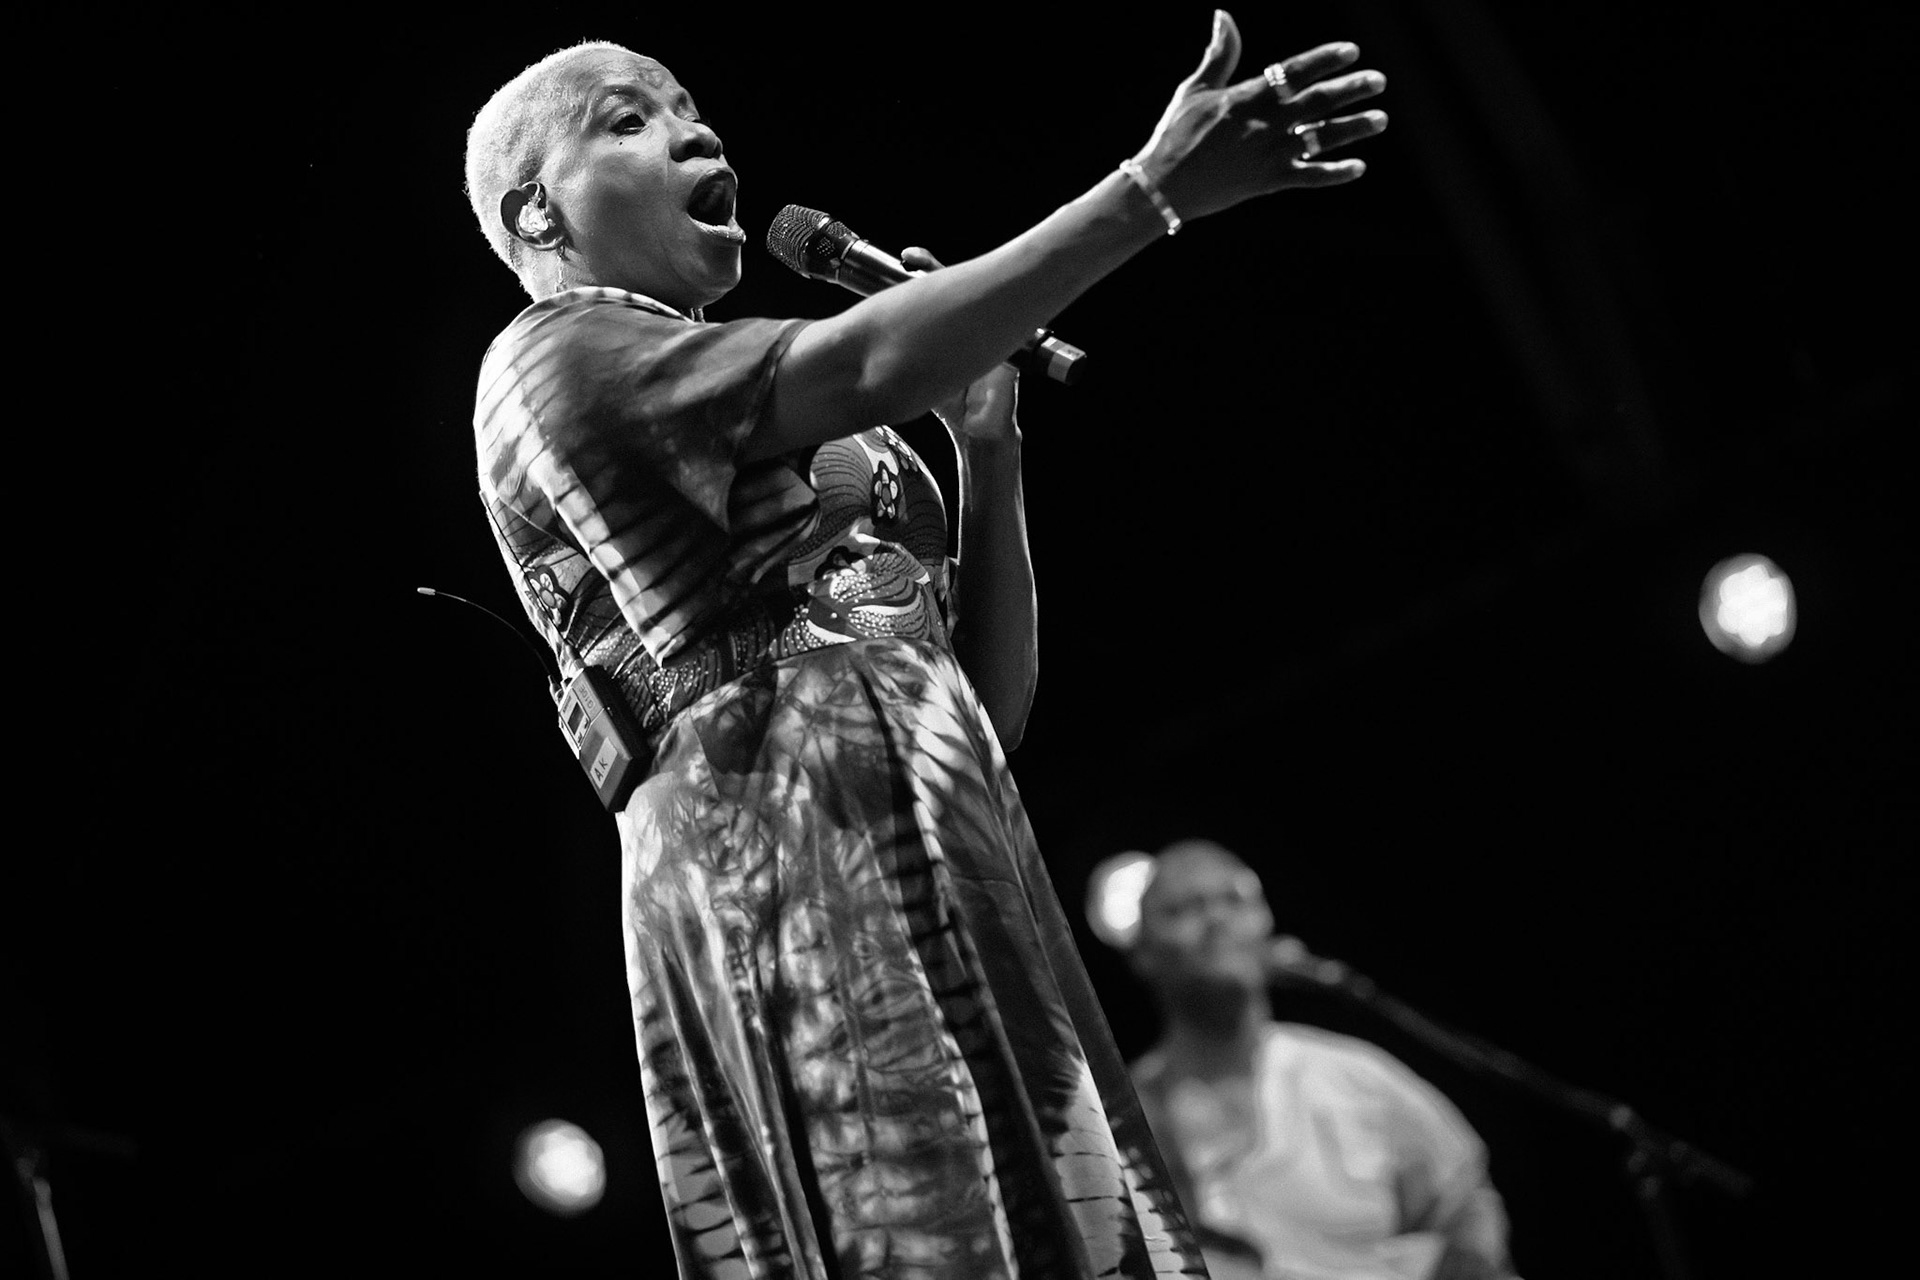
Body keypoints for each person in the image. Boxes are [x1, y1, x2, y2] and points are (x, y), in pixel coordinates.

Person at [462, 13, 1387, 1277]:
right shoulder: (552, 359)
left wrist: (987, 447)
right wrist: (1149, 193)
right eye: (627, 120)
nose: (695, 129)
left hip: (945, 844)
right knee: (918, 1219)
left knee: (1048, 1218)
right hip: (785, 849)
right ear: (537, 217)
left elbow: (981, 714)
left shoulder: (773, 397)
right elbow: (867, 360)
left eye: (689, 107)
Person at [1123, 840, 1519, 1280]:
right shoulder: (1126, 1115)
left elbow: (1468, 1202)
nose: (1216, 919)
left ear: (1266, 924)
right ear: (1141, 953)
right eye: (1184, 908)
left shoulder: (1356, 1077)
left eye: (1234, 900)